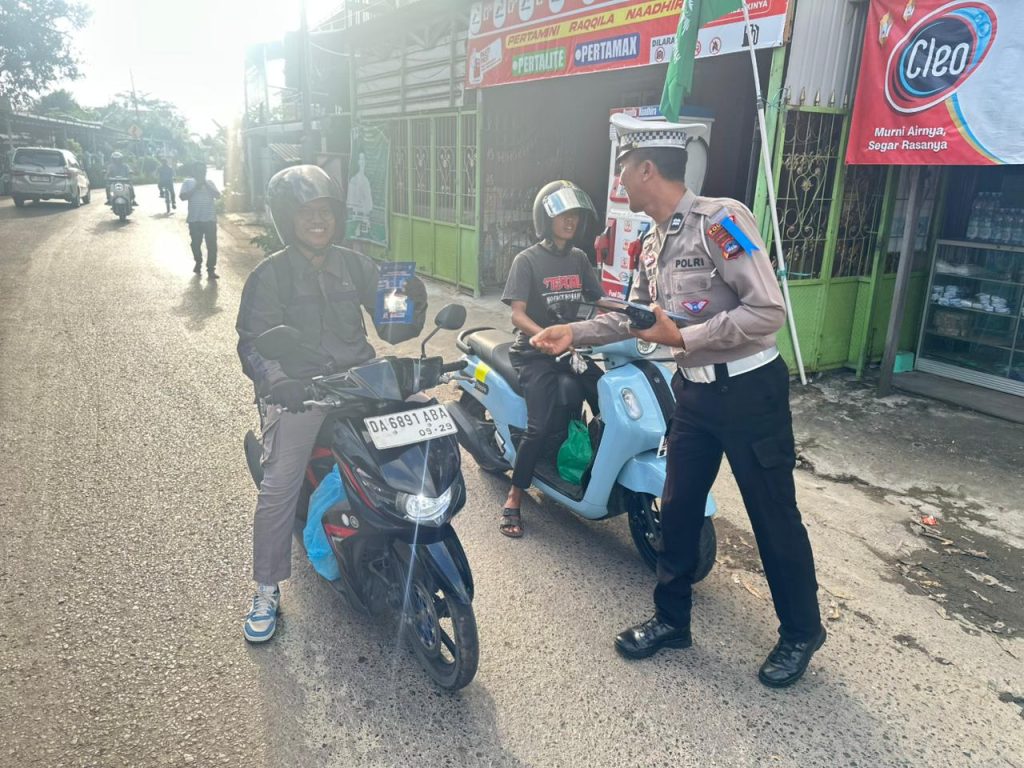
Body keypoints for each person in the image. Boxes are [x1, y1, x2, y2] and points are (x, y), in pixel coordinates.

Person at [531, 114, 825, 688]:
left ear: (647, 170)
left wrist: (685, 338)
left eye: (623, 170)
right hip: (693, 394)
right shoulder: (651, 243)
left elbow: (767, 311)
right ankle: (671, 620)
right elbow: (637, 319)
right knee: (679, 506)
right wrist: (575, 333)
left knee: (773, 515)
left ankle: (801, 630)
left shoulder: (721, 221)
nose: (619, 181)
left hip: (749, 392)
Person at [235, 164, 428, 643]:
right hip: (302, 393)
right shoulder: (270, 275)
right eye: (307, 212)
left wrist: (412, 302)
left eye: (325, 211)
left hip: (359, 380)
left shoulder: (356, 265)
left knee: (429, 418)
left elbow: (392, 330)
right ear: (287, 217)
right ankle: (266, 590)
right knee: (278, 485)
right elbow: (253, 343)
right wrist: (280, 382)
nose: (318, 220)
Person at [498, 180, 604, 538]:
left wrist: (635, 311)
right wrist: (542, 336)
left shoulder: (579, 259)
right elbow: (517, 314)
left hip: (568, 350)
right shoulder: (526, 260)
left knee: (606, 396)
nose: (570, 221)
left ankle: (588, 466)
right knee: (538, 426)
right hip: (534, 353)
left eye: (575, 215)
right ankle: (515, 496)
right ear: (546, 219)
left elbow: (599, 299)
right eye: (563, 215)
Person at [179, 163, 221, 279]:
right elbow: (182, 197)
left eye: (203, 171)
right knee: (195, 244)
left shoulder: (210, 183)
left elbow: (217, 195)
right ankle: (198, 261)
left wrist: (206, 184)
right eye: (199, 171)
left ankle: (211, 269)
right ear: (194, 172)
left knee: (212, 246)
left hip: (210, 219)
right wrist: (195, 187)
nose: (201, 173)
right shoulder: (188, 183)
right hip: (194, 220)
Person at [346, 151, 374, 236]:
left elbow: (369, 202)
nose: (362, 161)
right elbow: (351, 201)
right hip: (356, 217)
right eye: (360, 159)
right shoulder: (353, 180)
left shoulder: (366, 181)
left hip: (365, 217)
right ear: (358, 162)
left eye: (363, 159)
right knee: (356, 237)